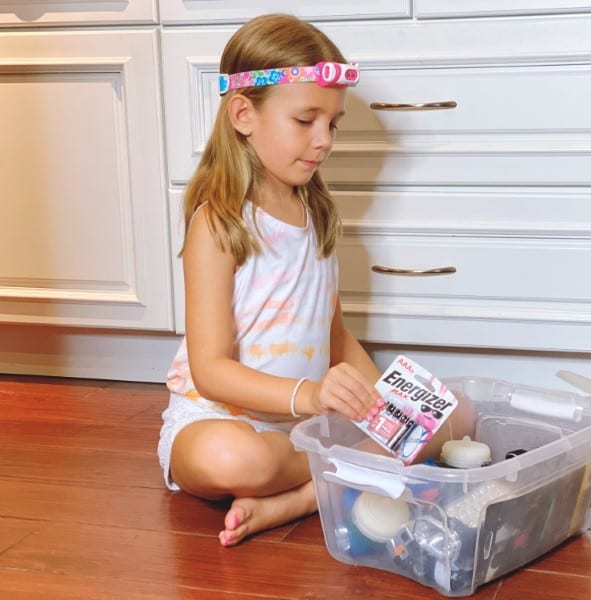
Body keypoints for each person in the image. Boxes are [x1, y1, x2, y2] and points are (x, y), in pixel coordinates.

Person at [157, 13, 382, 547]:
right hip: (219, 421)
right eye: (306, 120)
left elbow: (334, 338)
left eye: (333, 123)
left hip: (304, 429)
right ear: (243, 114)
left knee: (443, 417)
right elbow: (210, 371)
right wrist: (309, 398)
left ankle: (300, 500)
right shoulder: (219, 222)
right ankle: (336, 478)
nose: (324, 140)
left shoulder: (318, 213)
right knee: (235, 457)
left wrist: (383, 404)